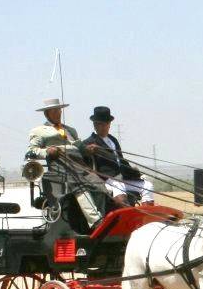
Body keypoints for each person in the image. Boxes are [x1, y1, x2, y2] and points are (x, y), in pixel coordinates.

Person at [26, 98, 105, 228]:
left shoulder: (70, 130)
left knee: (100, 185)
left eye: (59, 110)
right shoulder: (39, 131)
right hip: (60, 166)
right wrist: (48, 151)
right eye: (54, 111)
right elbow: (32, 151)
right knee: (79, 185)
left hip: (79, 164)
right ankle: (95, 221)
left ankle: (102, 219)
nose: (58, 113)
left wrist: (88, 150)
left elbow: (80, 148)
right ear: (47, 114)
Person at [81, 106, 154, 206]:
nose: (104, 127)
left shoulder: (113, 140)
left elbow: (122, 161)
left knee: (147, 185)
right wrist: (87, 150)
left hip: (122, 178)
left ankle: (147, 213)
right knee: (117, 184)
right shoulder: (88, 143)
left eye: (106, 124)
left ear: (109, 124)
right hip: (105, 181)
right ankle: (127, 211)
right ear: (95, 125)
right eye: (100, 124)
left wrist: (134, 173)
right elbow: (84, 160)